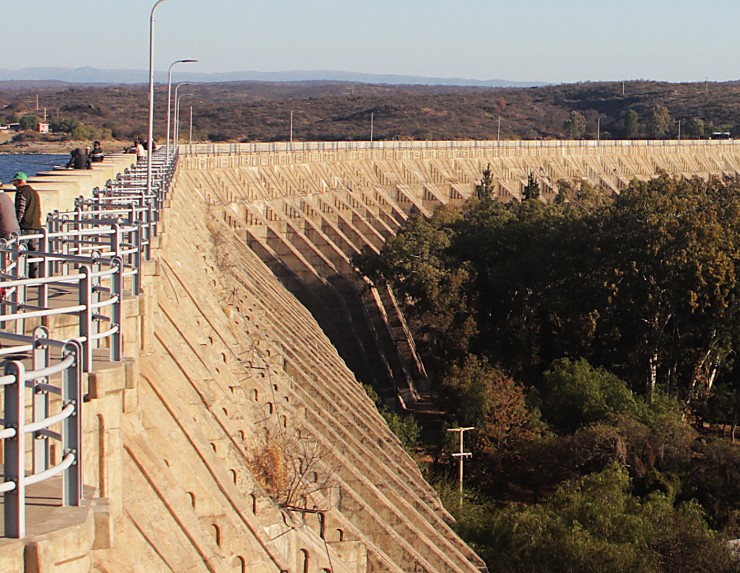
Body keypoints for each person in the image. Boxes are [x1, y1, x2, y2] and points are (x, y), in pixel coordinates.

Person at [12, 172, 42, 278]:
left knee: (21, 251)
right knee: (33, 251)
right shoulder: (33, 192)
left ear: (20, 181)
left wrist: (17, 223)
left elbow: (20, 209)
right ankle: (34, 275)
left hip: (25, 226)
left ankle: (20, 275)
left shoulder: (21, 192)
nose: (13, 184)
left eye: (15, 182)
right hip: (35, 225)